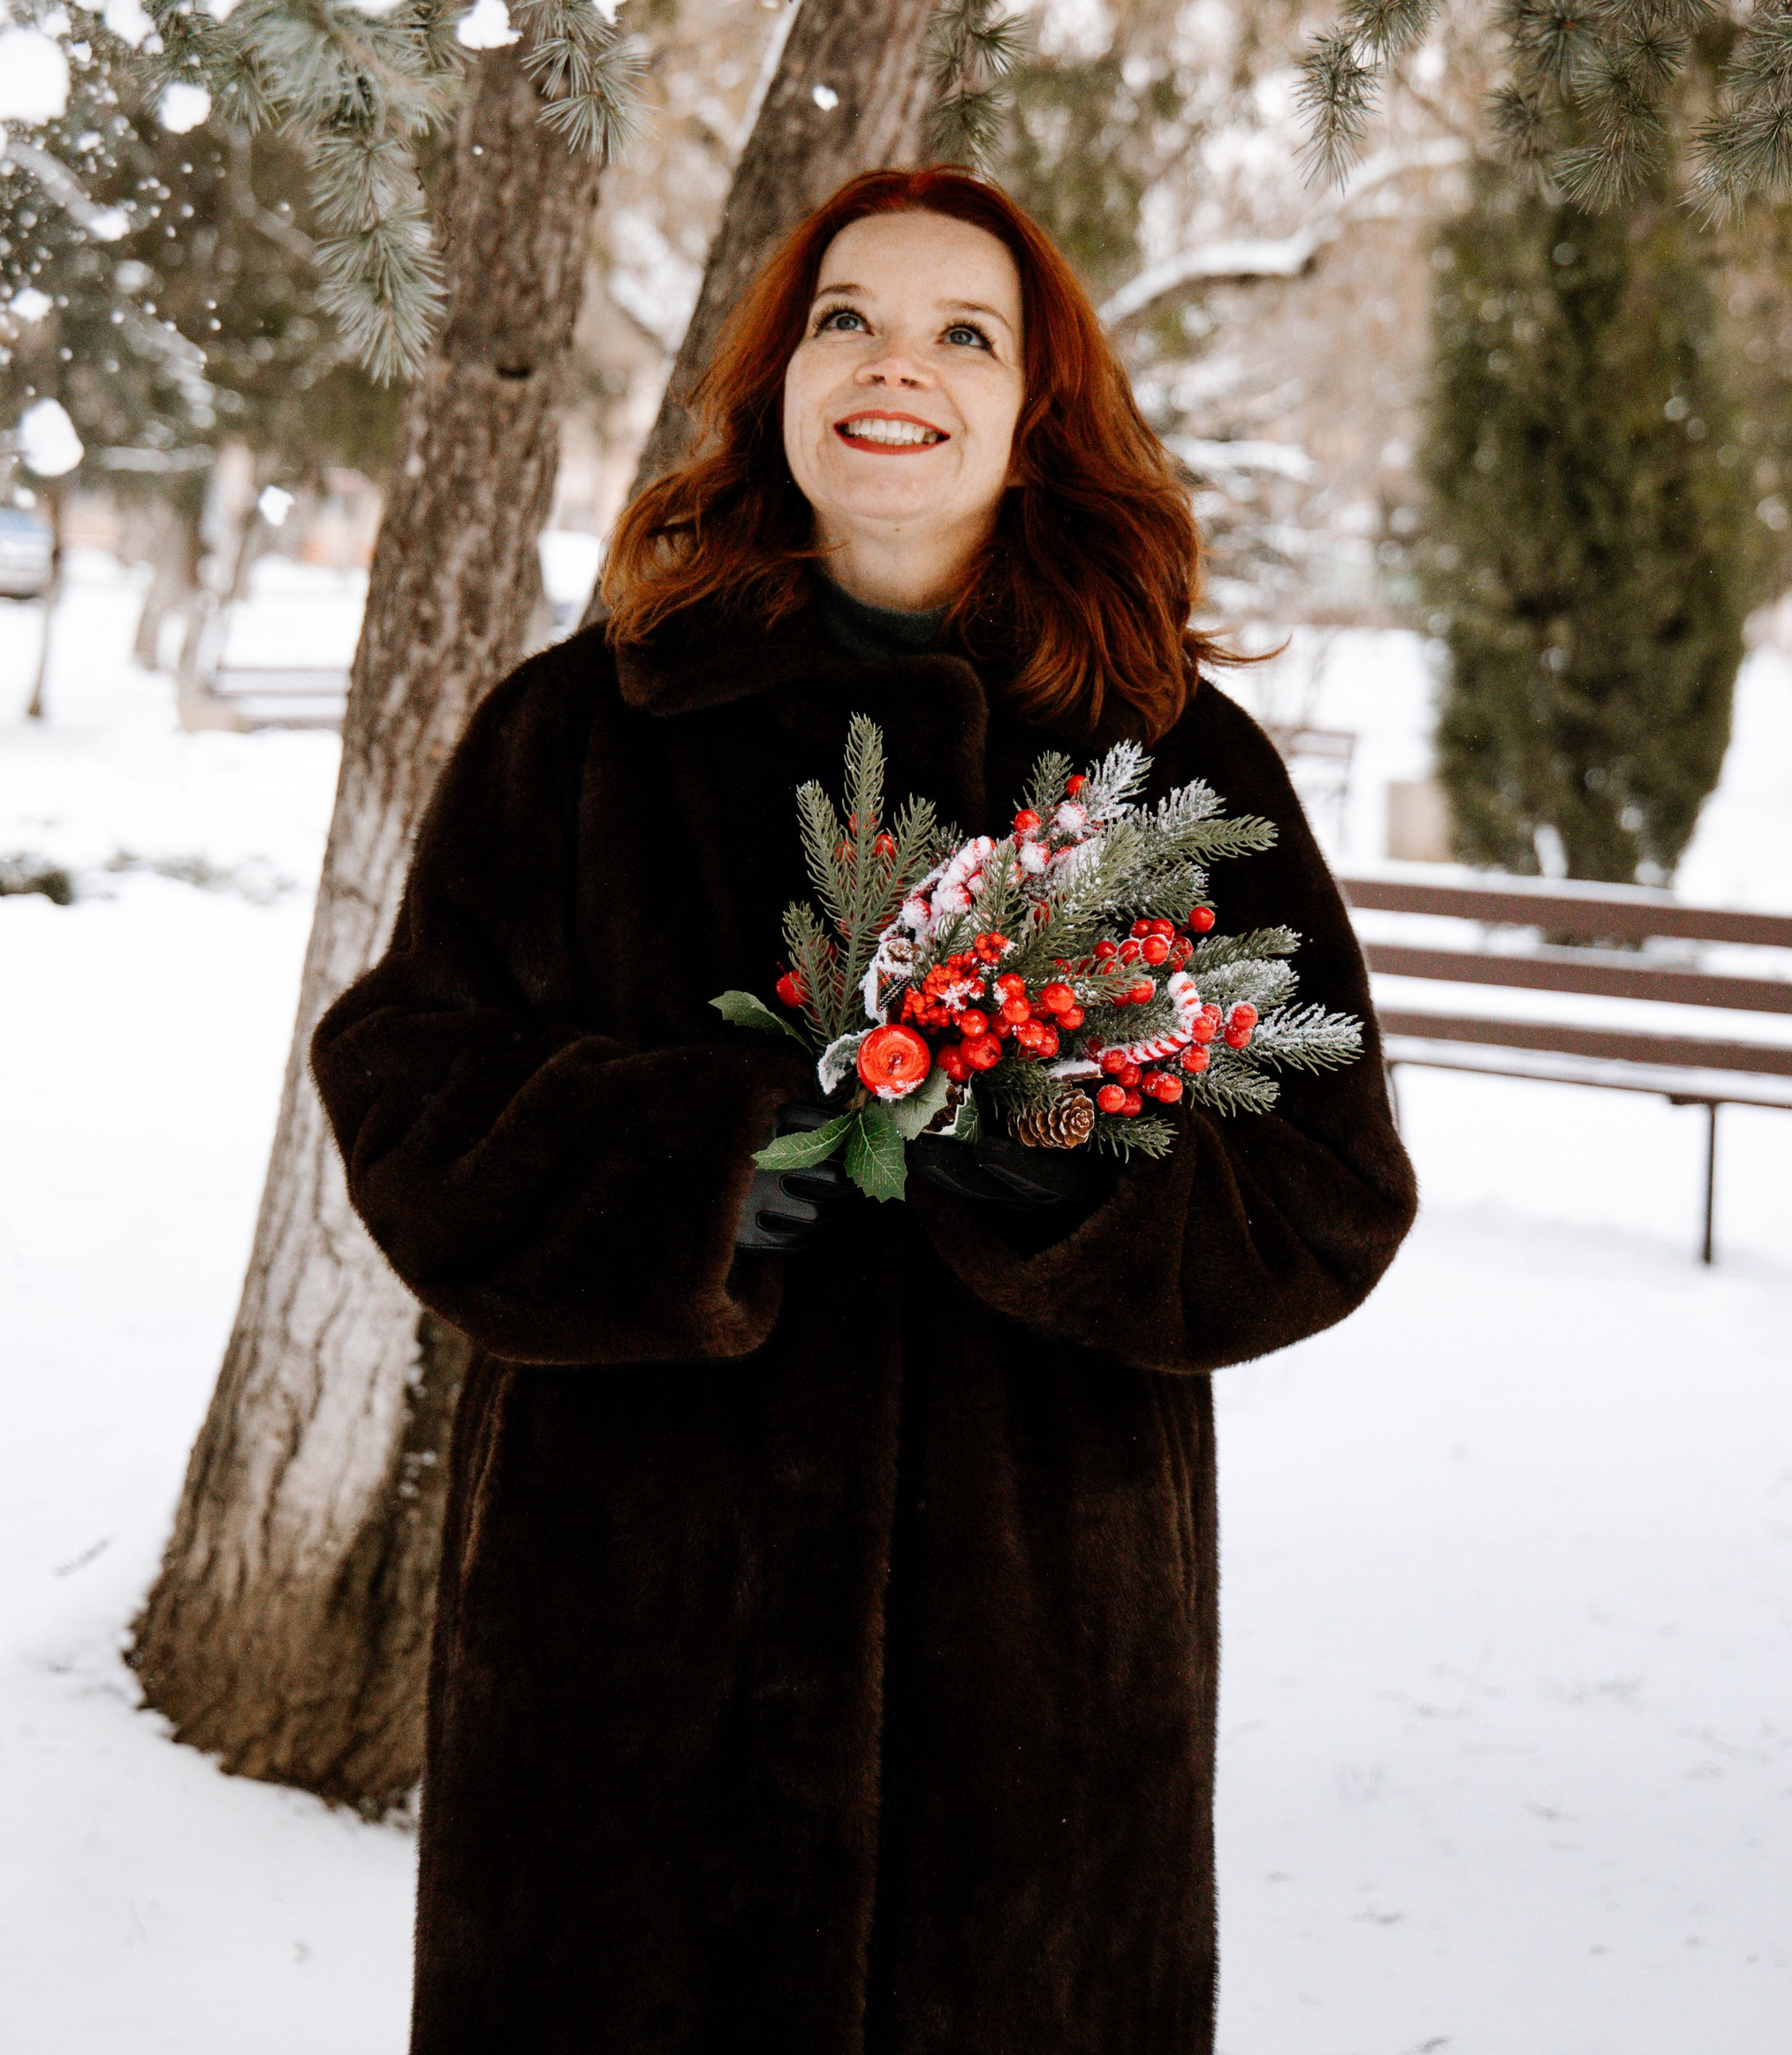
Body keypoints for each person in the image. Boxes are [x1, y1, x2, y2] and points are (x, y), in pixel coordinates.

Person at [312, 163, 1417, 2055]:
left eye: (960, 332)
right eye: (846, 317)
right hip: (627, 1666)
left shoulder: (1168, 764)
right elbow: (410, 1085)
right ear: (776, 382)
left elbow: (1323, 1187)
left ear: (1032, 408)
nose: (893, 362)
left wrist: (1070, 1174)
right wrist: (691, 1171)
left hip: (1037, 1700)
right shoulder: (584, 730)